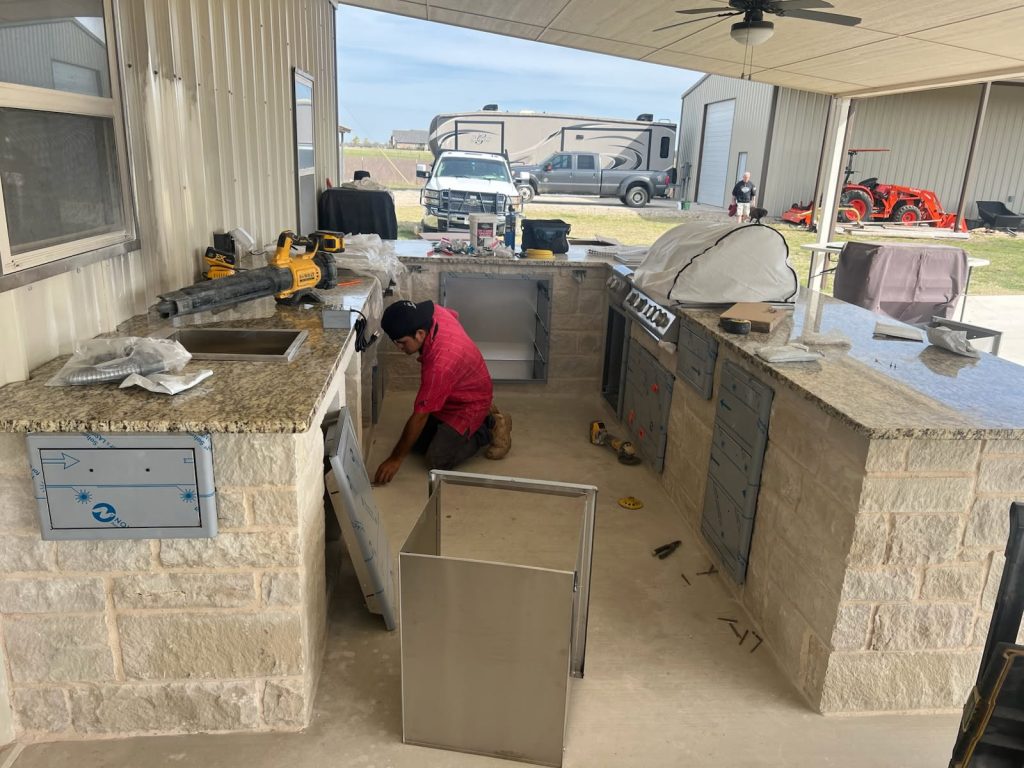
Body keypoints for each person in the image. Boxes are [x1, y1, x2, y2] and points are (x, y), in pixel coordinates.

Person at [373, 299, 511, 485]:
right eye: (395, 342)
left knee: (437, 460)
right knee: (416, 444)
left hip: (470, 401)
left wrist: (395, 459)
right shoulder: (433, 313)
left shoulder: (440, 365)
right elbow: (454, 315)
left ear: (420, 334)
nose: (399, 348)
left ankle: (488, 424)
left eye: (402, 342)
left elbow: (420, 416)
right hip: (455, 389)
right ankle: (478, 417)